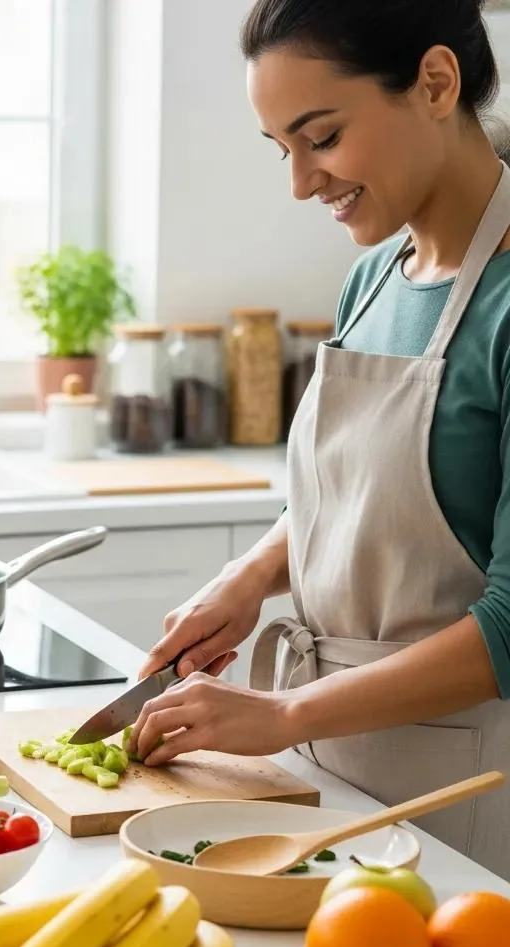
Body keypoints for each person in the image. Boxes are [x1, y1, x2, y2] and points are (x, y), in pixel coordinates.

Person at [127, 0, 510, 879]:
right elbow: (350, 499)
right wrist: (252, 574)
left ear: (436, 83)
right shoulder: (372, 280)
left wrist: (287, 715)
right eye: (282, 149)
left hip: (471, 799)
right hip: (332, 778)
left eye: (322, 137)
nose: (301, 183)